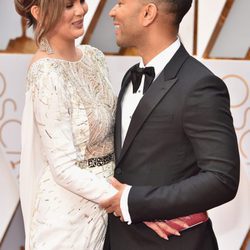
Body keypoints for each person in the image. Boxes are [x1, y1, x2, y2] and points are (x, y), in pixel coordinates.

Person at [15, 0, 181, 248]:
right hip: (67, 218)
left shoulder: (94, 57)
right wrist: (132, 203)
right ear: (38, 13)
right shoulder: (44, 71)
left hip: (109, 210)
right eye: (68, 5)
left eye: (81, 1)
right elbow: (62, 168)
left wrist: (141, 199)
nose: (81, 10)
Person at [101, 0, 240, 249]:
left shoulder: (200, 85)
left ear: (148, 13)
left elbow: (222, 178)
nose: (112, 11)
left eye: (120, 3)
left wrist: (138, 202)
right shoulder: (130, 76)